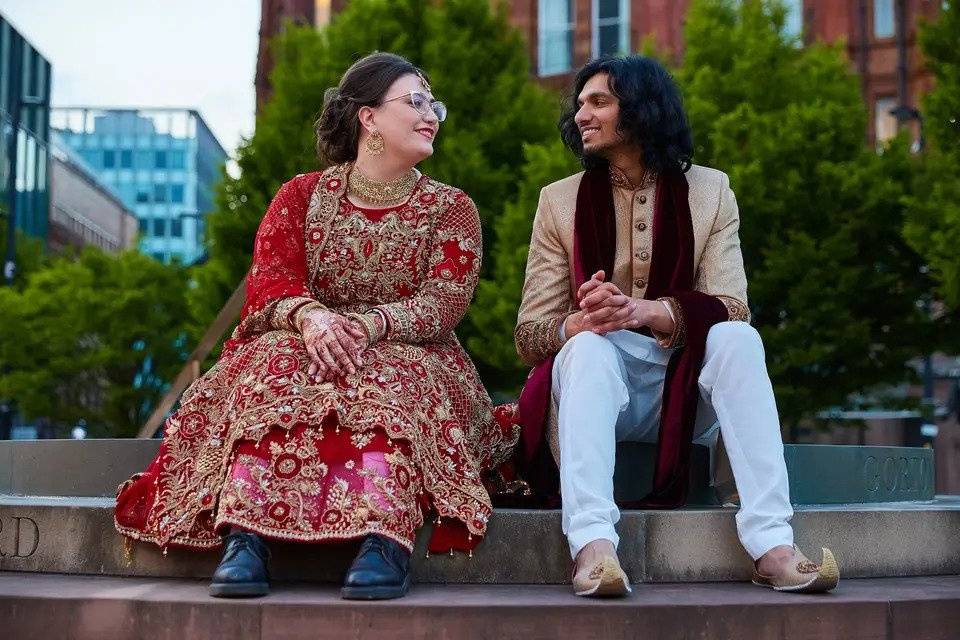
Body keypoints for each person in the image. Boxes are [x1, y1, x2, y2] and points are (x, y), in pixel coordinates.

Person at [115, 52, 517, 601]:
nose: (433, 115)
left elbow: (442, 305)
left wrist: (368, 326)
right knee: (272, 367)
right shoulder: (302, 196)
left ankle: (384, 540)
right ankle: (247, 537)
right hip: (303, 336)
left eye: (434, 104)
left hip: (412, 345)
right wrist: (313, 319)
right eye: (416, 101)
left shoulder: (451, 208)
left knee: (390, 377)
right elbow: (271, 283)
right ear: (368, 117)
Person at [514, 55, 839, 597]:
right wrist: (584, 320)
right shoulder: (559, 201)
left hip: (684, 392)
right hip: (595, 389)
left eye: (599, 102)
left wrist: (645, 312)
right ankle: (593, 547)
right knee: (590, 348)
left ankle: (772, 544)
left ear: (640, 111)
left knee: (738, 338)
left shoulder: (711, 192)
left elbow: (732, 306)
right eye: (579, 104)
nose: (580, 116)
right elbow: (529, 336)